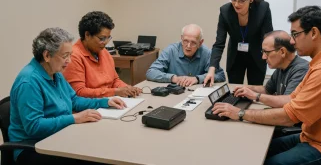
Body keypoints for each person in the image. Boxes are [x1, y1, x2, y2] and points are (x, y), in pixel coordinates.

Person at [212, 6, 321, 164]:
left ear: (313, 33)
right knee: (255, 149)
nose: (292, 41)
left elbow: (289, 117)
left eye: (295, 34)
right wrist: (252, 95)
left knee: (268, 162)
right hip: (310, 136)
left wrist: (240, 114)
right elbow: (291, 99)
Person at [9, 28, 127, 165]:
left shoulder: (55, 73)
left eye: (70, 55)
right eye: (65, 56)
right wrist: (74, 118)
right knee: (92, 158)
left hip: (58, 137)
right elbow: (34, 127)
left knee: (102, 147)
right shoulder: (29, 82)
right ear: (47, 55)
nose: (69, 61)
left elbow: (74, 100)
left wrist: (105, 102)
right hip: (33, 148)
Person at [204, 0, 273, 86]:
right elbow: (219, 44)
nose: (236, 4)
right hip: (235, 56)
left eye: (241, 0)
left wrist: (270, 58)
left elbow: (268, 37)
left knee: (254, 90)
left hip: (256, 55)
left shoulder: (262, 9)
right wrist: (211, 70)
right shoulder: (225, 11)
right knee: (234, 90)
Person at [62, 11, 141, 98]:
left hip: (108, 101)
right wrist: (115, 92)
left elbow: (115, 81)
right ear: (87, 35)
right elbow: (79, 92)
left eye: (108, 38)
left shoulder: (104, 52)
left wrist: (127, 88)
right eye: (102, 38)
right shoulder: (73, 56)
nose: (106, 42)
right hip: (89, 108)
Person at [233, 30, 308, 108]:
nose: (263, 57)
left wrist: (255, 96)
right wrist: (247, 89)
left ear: (282, 52)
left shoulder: (301, 70)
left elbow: (287, 102)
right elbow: (267, 90)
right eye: (263, 52)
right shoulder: (281, 67)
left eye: (266, 52)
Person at [146, 24, 225, 87]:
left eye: (193, 42)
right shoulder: (170, 51)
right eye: (185, 41)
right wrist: (173, 78)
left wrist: (197, 79)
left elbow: (220, 75)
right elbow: (151, 72)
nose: (188, 46)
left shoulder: (207, 53)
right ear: (181, 38)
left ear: (200, 43)